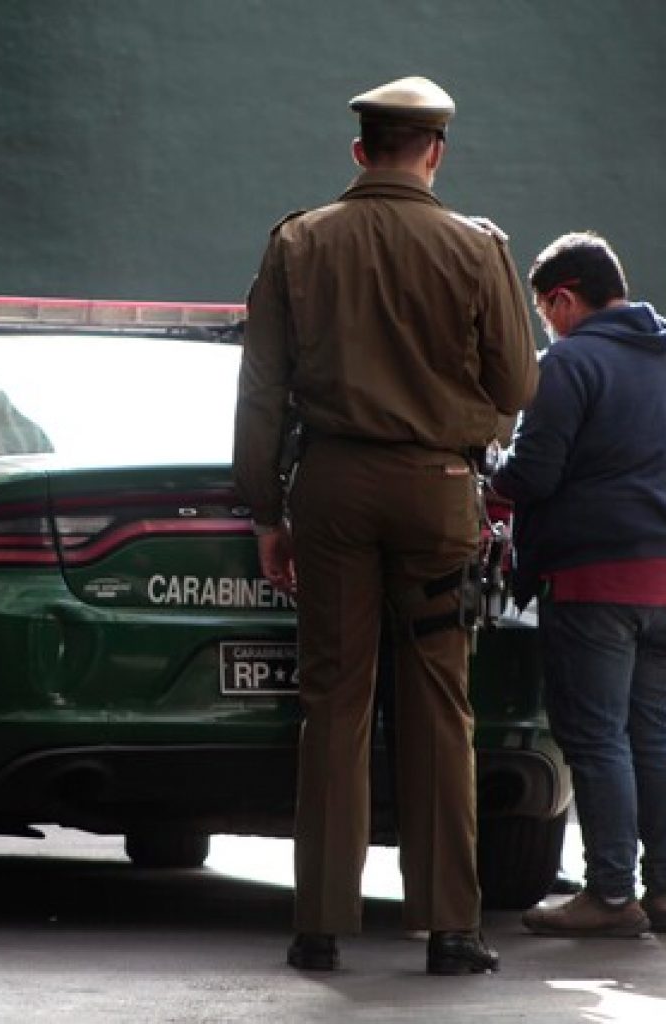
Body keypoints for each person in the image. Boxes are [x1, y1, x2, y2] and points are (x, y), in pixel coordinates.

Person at [233, 75, 537, 975]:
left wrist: (262, 509)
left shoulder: (299, 242)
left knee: (334, 699)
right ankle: (449, 927)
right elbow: (518, 387)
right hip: (438, 488)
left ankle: (319, 926)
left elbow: (262, 389)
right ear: (435, 152)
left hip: (328, 488)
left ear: (359, 152)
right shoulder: (478, 249)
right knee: (441, 702)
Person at [491, 232, 666, 938]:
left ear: (563, 298)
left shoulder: (571, 362)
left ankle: (610, 894)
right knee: (654, 738)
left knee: (596, 739)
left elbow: (534, 475)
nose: (545, 324)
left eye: (543, 310)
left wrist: (487, 483)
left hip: (596, 577)